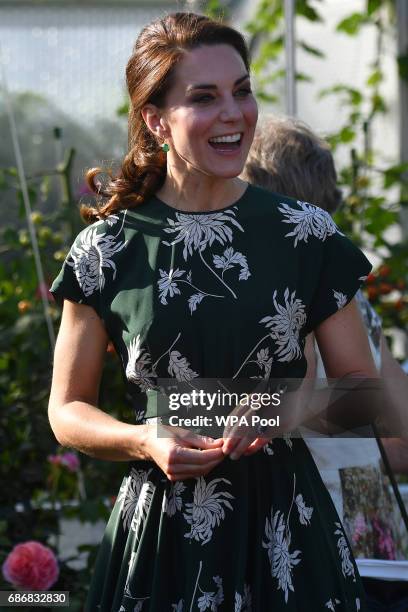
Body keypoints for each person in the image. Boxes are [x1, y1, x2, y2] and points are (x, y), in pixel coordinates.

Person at [48, 12, 379, 611]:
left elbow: (362, 386)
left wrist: (283, 408)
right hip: (161, 538)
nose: (235, 113)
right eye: (205, 97)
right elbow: (66, 410)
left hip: (286, 528)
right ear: (155, 120)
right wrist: (144, 438)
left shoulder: (305, 235)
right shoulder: (105, 249)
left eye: (242, 90)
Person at [241, 114, 408, 610]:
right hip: (384, 550)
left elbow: (296, 395)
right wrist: (358, 455)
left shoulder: (284, 297)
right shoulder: (353, 302)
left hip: (314, 550)